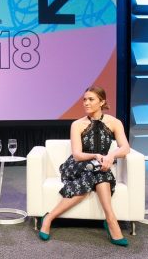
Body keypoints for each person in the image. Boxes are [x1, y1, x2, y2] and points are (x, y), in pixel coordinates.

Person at [38, 86, 130, 246]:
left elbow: (125, 148)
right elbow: (77, 154)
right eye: (84, 99)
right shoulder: (77, 124)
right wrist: (95, 155)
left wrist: (110, 155)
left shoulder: (114, 123)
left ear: (102, 102)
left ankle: (49, 217)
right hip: (77, 165)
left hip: (99, 166)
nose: (86, 103)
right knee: (98, 172)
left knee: (98, 172)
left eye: (91, 99)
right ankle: (111, 222)